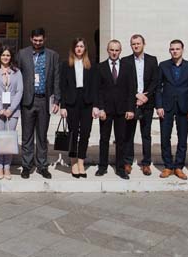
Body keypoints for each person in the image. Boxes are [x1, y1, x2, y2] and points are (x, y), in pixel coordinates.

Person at [15, 28, 60, 179]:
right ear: (31, 39)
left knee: (42, 136)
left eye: (40, 40)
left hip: (44, 100)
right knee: (27, 136)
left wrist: (57, 100)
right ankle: (26, 166)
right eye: (35, 40)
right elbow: (16, 76)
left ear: (44, 39)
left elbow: (56, 78)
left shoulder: (52, 55)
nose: (38, 43)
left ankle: (42, 166)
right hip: (27, 100)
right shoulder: (22, 54)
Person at [156, 39, 188, 180]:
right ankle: (168, 166)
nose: (175, 51)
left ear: (182, 50)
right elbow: (158, 87)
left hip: (184, 107)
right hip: (166, 107)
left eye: (177, 49)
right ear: (169, 50)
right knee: (165, 137)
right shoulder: (163, 65)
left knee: (182, 138)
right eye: (172, 49)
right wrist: (159, 106)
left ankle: (179, 167)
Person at [121, 34, 159, 176]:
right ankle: (127, 162)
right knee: (128, 134)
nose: (136, 46)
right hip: (131, 103)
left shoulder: (152, 60)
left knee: (146, 134)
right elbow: (124, 83)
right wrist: (136, 95)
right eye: (133, 44)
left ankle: (146, 163)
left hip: (147, 103)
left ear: (144, 44)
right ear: (131, 45)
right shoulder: (125, 61)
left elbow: (155, 81)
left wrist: (145, 97)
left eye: (138, 43)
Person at [59, 38, 98, 178]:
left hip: (87, 102)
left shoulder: (91, 64)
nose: (79, 49)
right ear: (73, 48)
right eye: (77, 46)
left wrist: (96, 106)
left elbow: (95, 86)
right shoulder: (66, 65)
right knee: (73, 133)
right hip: (71, 102)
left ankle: (81, 161)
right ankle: (73, 162)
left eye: (81, 46)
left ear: (85, 48)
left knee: (85, 133)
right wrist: (63, 106)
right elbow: (62, 86)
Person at [95, 40, 133, 180]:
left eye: (117, 50)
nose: (114, 53)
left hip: (122, 110)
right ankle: (102, 167)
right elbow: (98, 90)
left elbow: (131, 89)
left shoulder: (127, 67)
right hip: (106, 110)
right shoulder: (100, 67)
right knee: (104, 139)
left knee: (121, 140)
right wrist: (100, 108)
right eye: (112, 50)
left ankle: (120, 168)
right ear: (107, 50)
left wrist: (130, 109)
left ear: (120, 51)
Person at [0, 47, 23, 180]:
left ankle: (7, 167)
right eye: (3, 55)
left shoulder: (17, 72)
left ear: (11, 57)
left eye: (8, 55)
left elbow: (19, 91)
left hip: (12, 111)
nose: (5, 57)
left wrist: (10, 109)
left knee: (9, 139)